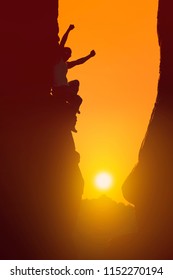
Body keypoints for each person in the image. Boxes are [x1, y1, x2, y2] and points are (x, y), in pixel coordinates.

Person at [52, 24, 96, 132]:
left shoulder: (65, 64)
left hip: (65, 88)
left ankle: (72, 107)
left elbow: (78, 62)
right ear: (64, 53)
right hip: (60, 89)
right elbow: (62, 42)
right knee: (78, 99)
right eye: (69, 54)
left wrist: (89, 56)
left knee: (76, 82)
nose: (70, 56)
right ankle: (71, 119)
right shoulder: (57, 59)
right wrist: (68, 30)